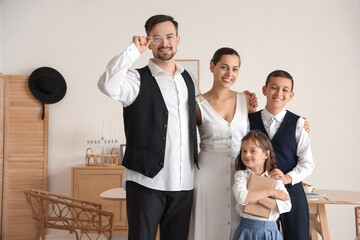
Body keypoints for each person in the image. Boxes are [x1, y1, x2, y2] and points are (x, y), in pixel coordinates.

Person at [97, 15, 198, 240]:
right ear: (149, 41)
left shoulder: (187, 79)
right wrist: (133, 50)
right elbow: (106, 85)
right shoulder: (135, 79)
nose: (165, 43)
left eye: (169, 37)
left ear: (178, 40)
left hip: (183, 183)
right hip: (146, 181)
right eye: (157, 38)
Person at [188, 47, 257, 240]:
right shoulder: (197, 104)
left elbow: (263, 130)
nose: (230, 74)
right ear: (212, 66)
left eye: (235, 69)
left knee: (237, 223)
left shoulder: (247, 101)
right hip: (207, 174)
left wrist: (300, 125)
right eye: (224, 67)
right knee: (208, 226)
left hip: (241, 172)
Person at [248, 70, 315, 240]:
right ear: (264, 90)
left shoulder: (299, 123)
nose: (279, 93)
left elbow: (307, 163)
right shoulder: (248, 120)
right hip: (259, 191)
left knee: (297, 236)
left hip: (291, 192)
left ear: (291, 95)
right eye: (274, 87)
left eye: (285, 90)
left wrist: (286, 178)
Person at [232, 130, 292, 240]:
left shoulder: (274, 177)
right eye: (244, 151)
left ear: (266, 154)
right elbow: (242, 197)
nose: (247, 154)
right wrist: (271, 192)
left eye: (253, 151)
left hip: (270, 232)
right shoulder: (241, 175)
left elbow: (286, 206)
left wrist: (252, 196)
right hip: (246, 231)